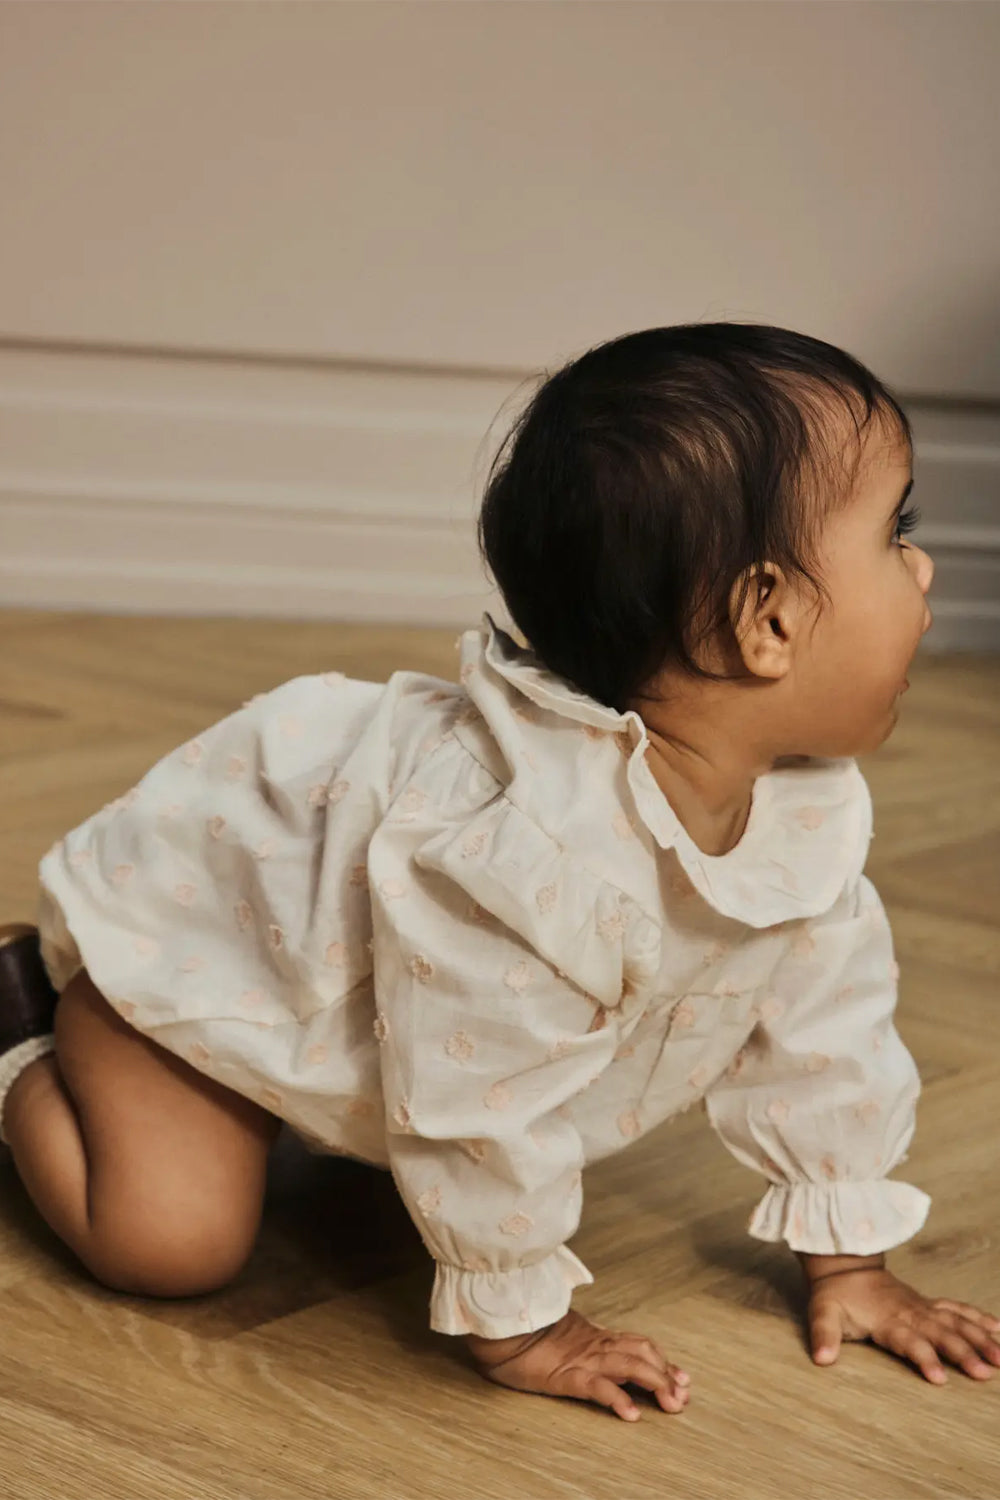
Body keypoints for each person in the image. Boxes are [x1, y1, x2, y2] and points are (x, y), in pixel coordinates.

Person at [2, 322, 998, 1424]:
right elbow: (475, 1103)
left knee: (399, 1133)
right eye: (897, 534)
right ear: (767, 620)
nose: (922, 567)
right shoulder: (526, 860)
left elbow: (827, 1027)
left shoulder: (798, 805)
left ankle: (323, 1111)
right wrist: (520, 1321)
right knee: (169, 1245)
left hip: (376, 1020)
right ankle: (21, 1026)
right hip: (209, 969)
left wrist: (849, 1258)